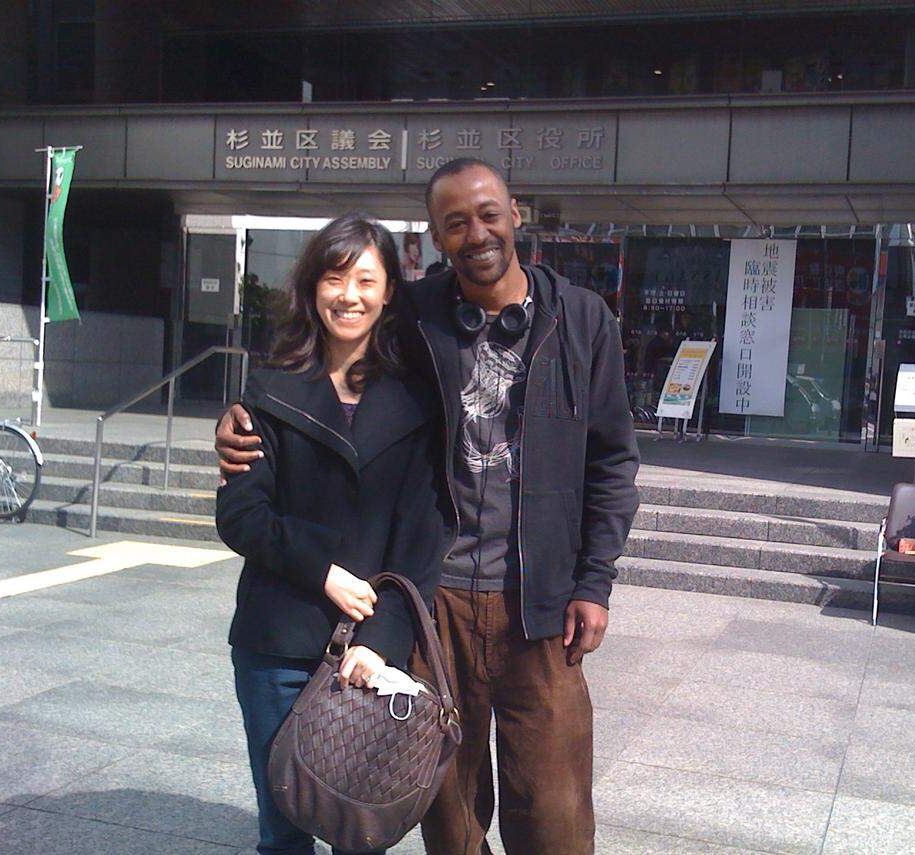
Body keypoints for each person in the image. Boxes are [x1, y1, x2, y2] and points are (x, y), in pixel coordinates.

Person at [217, 159, 640, 855]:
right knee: (448, 806)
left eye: (488, 213)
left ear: (515, 213)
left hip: (539, 599)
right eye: (455, 222)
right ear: (438, 238)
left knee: (555, 810)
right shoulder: (415, 314)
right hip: (434, 599)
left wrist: (595, 581)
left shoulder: (581, 317)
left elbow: (614, 458)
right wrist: (240, 416)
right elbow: (330, 347)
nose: (476, 232)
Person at [216, 214, 448, 855]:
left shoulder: (417, 403)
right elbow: (241, 515)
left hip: (368, 655)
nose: (350, 295)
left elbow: (421, 539)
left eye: (366, 280)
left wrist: (383, 641)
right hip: (278, 641)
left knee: (360, 832)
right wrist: (323, 571)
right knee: (282, 831)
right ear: (312, 287)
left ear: (389, 292)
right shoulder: (269, 390)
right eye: (335, 277)